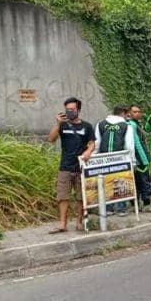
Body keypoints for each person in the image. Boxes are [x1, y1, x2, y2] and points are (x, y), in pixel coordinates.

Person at [47, 97, 95, 234]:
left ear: (78, 110)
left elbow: (92, 143)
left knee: (81, 197)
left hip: (81, 166)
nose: (70, 112)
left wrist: (88, 151)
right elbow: (51, 139)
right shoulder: (62, 125)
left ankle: (79, 221)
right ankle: (63, 224)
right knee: (63, 196)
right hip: (65, 166)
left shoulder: (86, 126)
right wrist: (58, 123)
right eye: (67, 109)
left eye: (72, 109)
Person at [97, 105, 141, 216]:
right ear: (123, 113)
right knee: (120, 182)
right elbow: (129, 146)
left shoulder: (101, 124)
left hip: (103, 159)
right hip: (120, 159)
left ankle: (108, 209)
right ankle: (121, 209)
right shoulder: (126, 126)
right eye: (127, 115)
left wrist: (95, 158)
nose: (128, 117)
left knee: (106, 182)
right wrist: (133, 161)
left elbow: (97, 143)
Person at [128, 105, 151, 212]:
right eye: (135, 112)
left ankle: (136, 205)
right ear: (129, 113)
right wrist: (144, 158)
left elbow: (144, 136)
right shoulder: (131, 124)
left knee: (137, 181)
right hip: (138, 158)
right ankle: (146, 204)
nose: (137, 113)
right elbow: (136, 143)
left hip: (135, 158)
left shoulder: (136, 124)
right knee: (144, 180)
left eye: (139, 111)